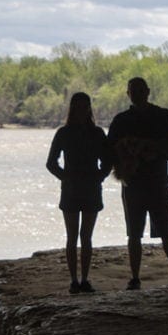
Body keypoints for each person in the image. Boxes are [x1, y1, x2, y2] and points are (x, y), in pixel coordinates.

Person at [108, 77, 168, 289]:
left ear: (148, 91)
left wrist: (152, 149)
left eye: (141, 90)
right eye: (134, 90)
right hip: (132, 184)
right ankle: (135, 277)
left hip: (158, 183)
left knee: (166, 230)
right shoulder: (121, 120)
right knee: (134, 233)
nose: (138, 93)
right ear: (128, 94)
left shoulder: (163, 116)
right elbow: (110, 149)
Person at [46, 92, 112, 294]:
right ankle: (75, 280)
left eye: (85, 106)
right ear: (73, 109)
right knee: (74, 236)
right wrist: (67, 178)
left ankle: (83, 279)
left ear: (89, 109)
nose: (83, 110)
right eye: (79, 106)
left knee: (85, 237)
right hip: (76, 189)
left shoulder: (91, 133)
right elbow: (50, 163)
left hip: (85, 189)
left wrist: (97, 177)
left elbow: (108, 162)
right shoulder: (67, 133)